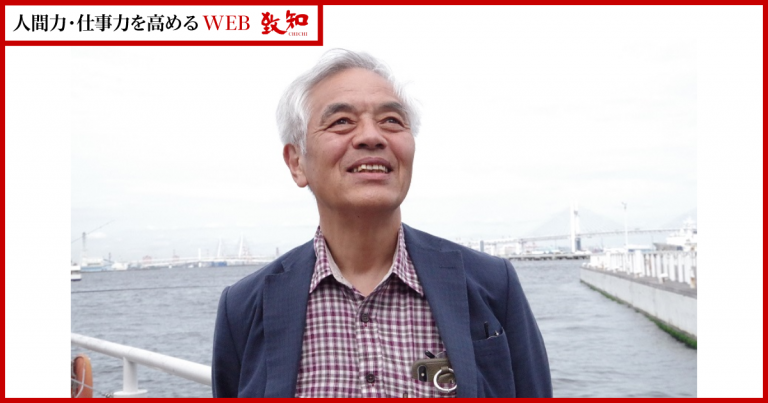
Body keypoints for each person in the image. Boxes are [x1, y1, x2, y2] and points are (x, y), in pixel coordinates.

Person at [212, 49, 552, 398]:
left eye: (391, 120)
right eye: (341, 121)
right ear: (297, 162)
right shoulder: (244, 307)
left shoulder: (491, 284)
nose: (371, 136)